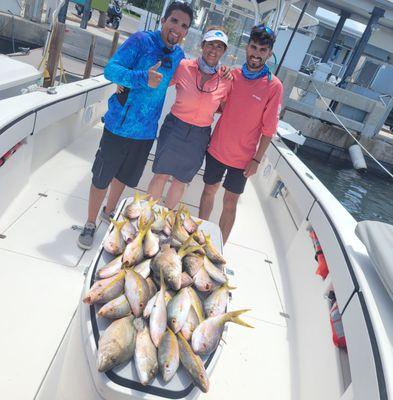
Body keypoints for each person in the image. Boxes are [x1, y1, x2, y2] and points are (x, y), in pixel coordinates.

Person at [77, 1, 193, 250]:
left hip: (146, 132)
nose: (177, 28)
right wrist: (140, 78)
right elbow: (111, 70)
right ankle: (89, 223)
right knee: (102, 177)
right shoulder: (141, 41)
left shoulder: (179, 55)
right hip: (119, 126)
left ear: (186, 32)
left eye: (183, 25)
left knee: (123, 177)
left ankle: (109, 212)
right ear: (163, 21)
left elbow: (180, 79)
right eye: (174, 21)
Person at [198, 25, 283, 244]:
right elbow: (218, 104)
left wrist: (257, 160)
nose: (256, 53)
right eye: (253, 47)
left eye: (262, 50)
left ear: (269, 53)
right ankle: (197, 238)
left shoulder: (274, 86)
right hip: (217, 147)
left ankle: (218, 248)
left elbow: (269, 130)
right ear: (247, 47)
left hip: (244, 158)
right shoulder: (232, 74)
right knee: (208, 191)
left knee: (230, 202)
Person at [147, 27, 232, 209]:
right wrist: (128, 84)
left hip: (199, 135)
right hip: (175, 126)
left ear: (224, 51)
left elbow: (224, 107)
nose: (213, 50)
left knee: (181, 180)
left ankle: (165, 221)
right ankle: (148, 215)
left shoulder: (226, 79)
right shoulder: (183, 66)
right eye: (210, 44)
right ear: (202, 45)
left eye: (219, 46)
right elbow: (158, 84)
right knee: (161, 174)